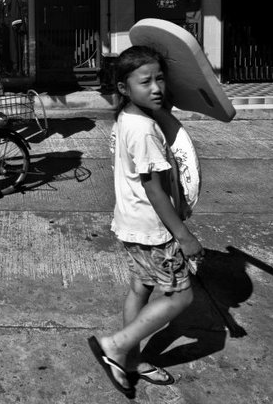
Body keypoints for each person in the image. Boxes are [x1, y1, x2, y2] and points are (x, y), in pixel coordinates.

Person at [88, 45, 204, 398]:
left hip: (130, 224)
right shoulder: (144, 131)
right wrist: (183, 236)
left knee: (141, 288)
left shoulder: (128, 118)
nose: (156, 88)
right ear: (124, 88)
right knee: (180, 297)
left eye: (160, 79)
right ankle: (116, 345)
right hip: (155, 231)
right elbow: (154, 188)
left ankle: (131, 359)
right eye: (145, 82)